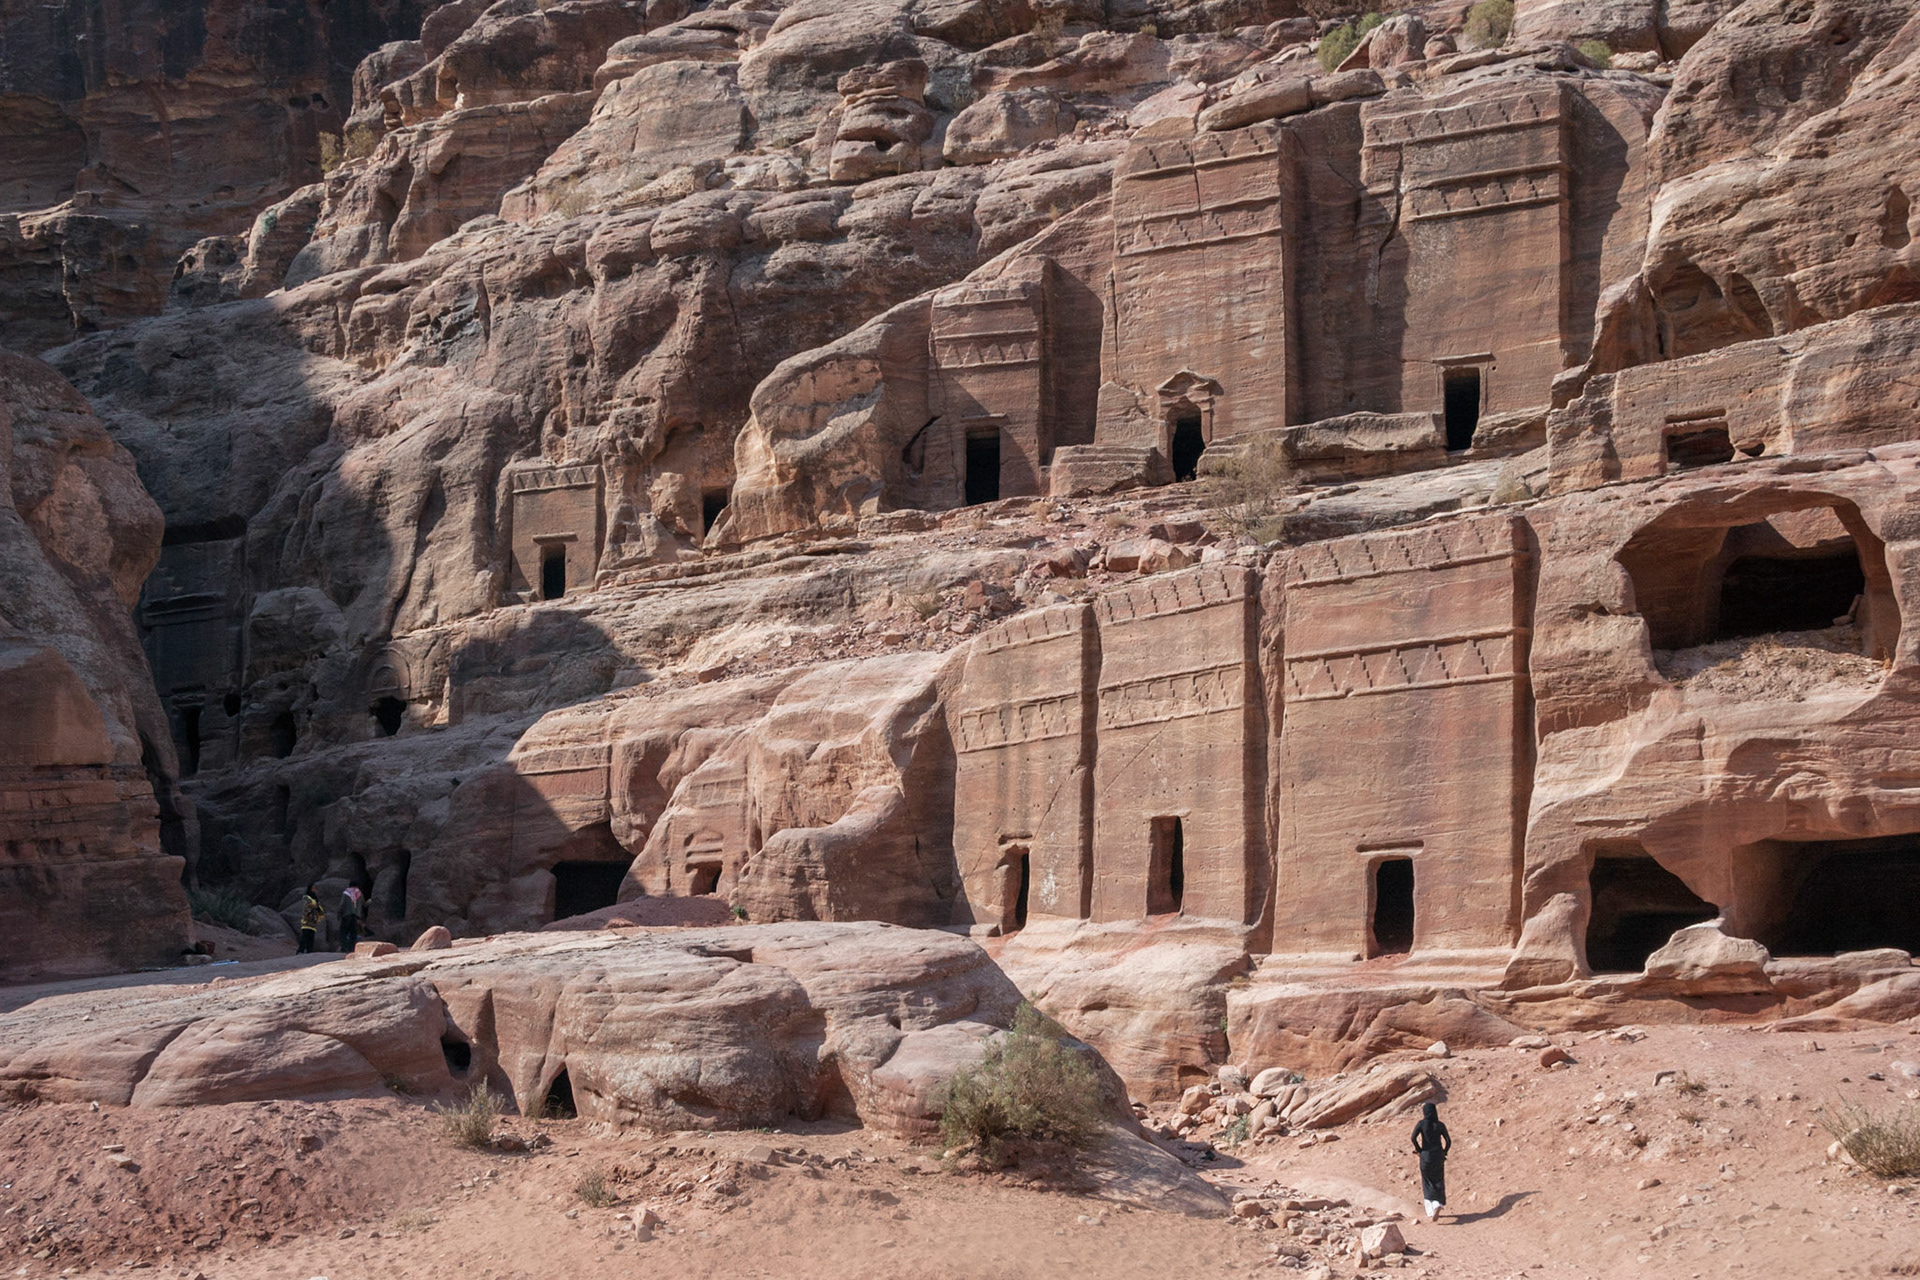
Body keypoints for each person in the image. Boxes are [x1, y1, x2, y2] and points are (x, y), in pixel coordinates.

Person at [1411, 1101, 1451, 1222]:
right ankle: (1438, 1203)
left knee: (1427, 1182)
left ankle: (1432, 1208)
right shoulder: (1440, 1125)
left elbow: (1413, 1138)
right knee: (1438, 1181)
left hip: (1426, 1157)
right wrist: (1444, 1152)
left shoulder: (1421, 1124)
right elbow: (1448, 1141)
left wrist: (1419, 1150)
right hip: (1438, 1156)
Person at [297, 885, 323, 954]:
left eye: (315, 888)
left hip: (313, 921)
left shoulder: (315, 898)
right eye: (313, 888)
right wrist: (315, 906)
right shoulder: (306, 897)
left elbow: (319, 908)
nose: (314, 890)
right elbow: (308, 905)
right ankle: (300, 950)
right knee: (305, 936)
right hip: (306, 920)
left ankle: (309, 951)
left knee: (311, 937)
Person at [339, 885, 365, 952]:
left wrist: (339, 913)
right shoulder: (359, 894)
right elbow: (363, 904)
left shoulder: (346, 893)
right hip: (356, 917)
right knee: (353, 934)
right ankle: (351, 949)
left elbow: (342, 904)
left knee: (343, 933)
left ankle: (344, 948)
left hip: (346, 916)